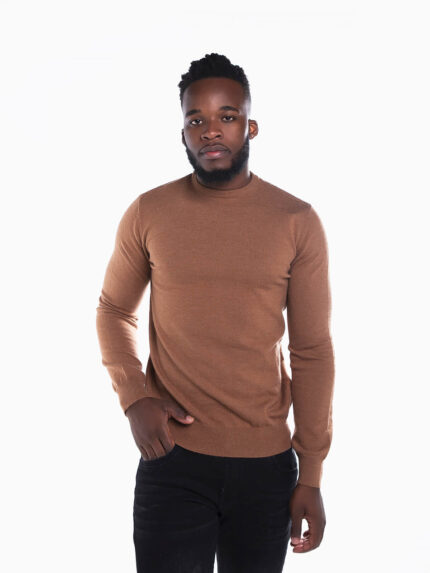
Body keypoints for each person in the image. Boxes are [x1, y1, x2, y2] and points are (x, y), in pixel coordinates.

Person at [96, 52, 335, 573]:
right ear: (182, 134)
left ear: (250, 126)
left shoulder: (296, 220)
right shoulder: (149, 212)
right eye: (196, 119)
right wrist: (134, 397)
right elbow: (114, 309)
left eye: (227, 116)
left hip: (266, 467)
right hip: (172, 460)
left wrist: (312, 474)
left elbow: (312, 350)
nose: (211, 130)